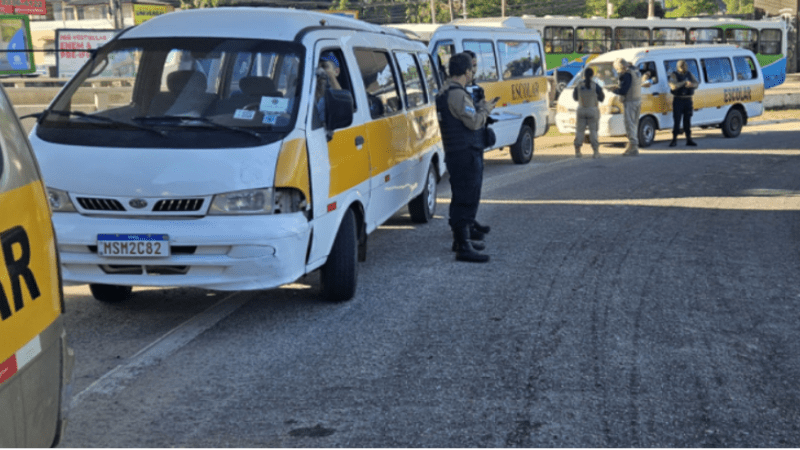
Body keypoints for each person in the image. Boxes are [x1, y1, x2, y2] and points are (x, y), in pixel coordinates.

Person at [435, 52, 497, 263]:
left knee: (460, 197)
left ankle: (461, 240)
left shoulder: (445, 90)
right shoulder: (458, 94)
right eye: (471, 69)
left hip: (456, 152)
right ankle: (463, 246)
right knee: (467, 198)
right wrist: (486, 109)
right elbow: (473, 122)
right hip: (465, 152)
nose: (473, 73)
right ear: (466, 72)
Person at [611, 58, 642, 156]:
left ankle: (633, 147)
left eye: (617, 69)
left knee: (629, 125)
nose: (618, 71)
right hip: (638, 100)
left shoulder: (627, 74)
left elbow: (624, 90)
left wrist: (614, 90)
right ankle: (631, 146)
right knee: (634, 124)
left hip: (630, 101)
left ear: (622, 67)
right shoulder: (635, 70)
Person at [572, 67, 605, 159]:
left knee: (579, 131)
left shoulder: (579, 85)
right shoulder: (595, 85)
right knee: (593, 131)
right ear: (592, 75)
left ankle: (578, 151)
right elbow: (602, 98)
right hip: (592, 110)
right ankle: (595, 151)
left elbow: (575, 98)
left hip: (581, 110)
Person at [668, 59, 699, 147]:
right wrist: (683, 83)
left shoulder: (689, 74)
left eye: (685, 66)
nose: (684, 67)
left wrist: (691, 85)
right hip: (678, 100)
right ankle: (674, 139)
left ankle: (689, 139)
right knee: (677, 121)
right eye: (682, 66)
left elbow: (696, 83)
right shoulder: (674, 75)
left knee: (687, 121)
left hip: (688, 100)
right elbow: (673, 86)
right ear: (678, 67)